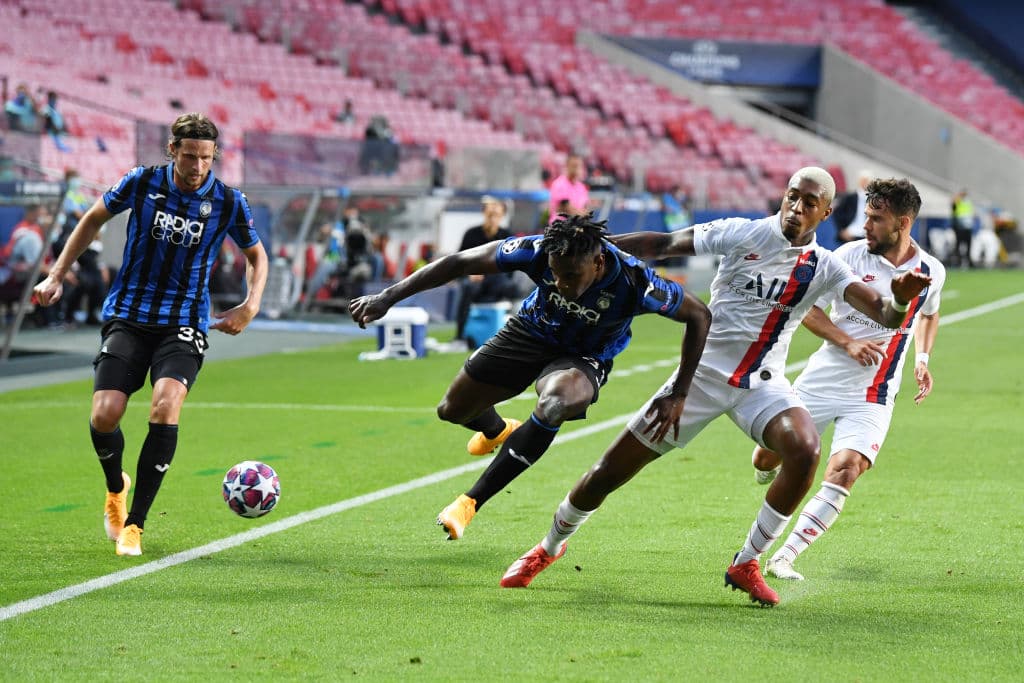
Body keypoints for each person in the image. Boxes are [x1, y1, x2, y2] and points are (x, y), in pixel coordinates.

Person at [498, 167, 932, 608]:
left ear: (825, 212)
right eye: (792, 196)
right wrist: (596, 248)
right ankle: (548, 547)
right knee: (608, 473)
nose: (796, 208)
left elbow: (884, 313)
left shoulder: (825, 267)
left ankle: (747, 562)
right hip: (699, 379)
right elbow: (663, 245)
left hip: (761, 385)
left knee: (804, 449)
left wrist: (899, 297)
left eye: (808, 202)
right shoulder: (740, 233)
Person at [350, 213, 711, 541]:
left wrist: (679, 393)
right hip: (530, 332)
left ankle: (469, 502)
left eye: (570, 276)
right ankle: (497, 431)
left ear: (598, 262)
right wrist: (388, 297)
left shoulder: (636, 282)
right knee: (453, 410)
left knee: (557, 402)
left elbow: (699, 316)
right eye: (554, 274)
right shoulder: (536, 250)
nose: (559, 282)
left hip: (584, 356)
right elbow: (460, 263)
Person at [33, 112, 269, 557]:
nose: (197, 166)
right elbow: (92, 219)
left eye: (206, 157)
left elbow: (258, 257)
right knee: (105, 415)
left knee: (165, 406)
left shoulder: (229, 201)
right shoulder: (142, 182)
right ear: (172, 150)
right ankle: (114, 487)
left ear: (213, 155)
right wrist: (56, 275)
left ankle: (136, 525)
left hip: (183, 322)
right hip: (129, 314)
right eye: (189, 156)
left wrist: (250, 305)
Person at [747, 177, 944, 581]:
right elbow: (808, 310)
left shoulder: (930, 271)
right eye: (866, 216)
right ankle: (766, 464)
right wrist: (848, 341)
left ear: (903, 223)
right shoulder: (846, 257)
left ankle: (785, 556)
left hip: (874, 392)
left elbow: (929, 312)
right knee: (767, 456)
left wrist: (922, 357)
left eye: (875, 219)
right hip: (821, 381)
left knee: (846, 468)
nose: (865, 225)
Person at [453, 196, 519, 341]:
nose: (492, 217)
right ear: (484, 213)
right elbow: (460, 262)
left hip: (497, 280)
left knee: (513, 288)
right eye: (490, 213)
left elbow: (512, 266)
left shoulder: (506, 236)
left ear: (502, 215)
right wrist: (470, 274)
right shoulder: (471, 234)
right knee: (467, 287)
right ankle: (460, 336)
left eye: (496, 214)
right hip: (476, 280)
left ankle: (515, 335)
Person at [548, 153, 590, 222]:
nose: (577, 169)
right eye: (574, 166)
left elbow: (586, 208)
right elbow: (566, 208)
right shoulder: (559, 184)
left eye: (579, 166)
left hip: (576, 226)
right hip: (560, 226)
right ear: (567, 166)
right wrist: (582, 214)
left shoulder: (581, 187)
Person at [832, 171, 872, 244]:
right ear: (859, 181)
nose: (865, 183)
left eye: (867, 181)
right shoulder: (850, 197)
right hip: (849, 232)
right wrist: (842, 230)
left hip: (863, 235)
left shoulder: (871, 200)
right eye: (864, 180)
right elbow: (837, 213)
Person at [950, 189, 975, 268]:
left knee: (968, 245)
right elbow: (953, 207)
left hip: (967, 227)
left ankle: (968, 261)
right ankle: (958, 261)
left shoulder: (968, 202)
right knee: (958, 245)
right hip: (959, 227)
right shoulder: (958, 201)